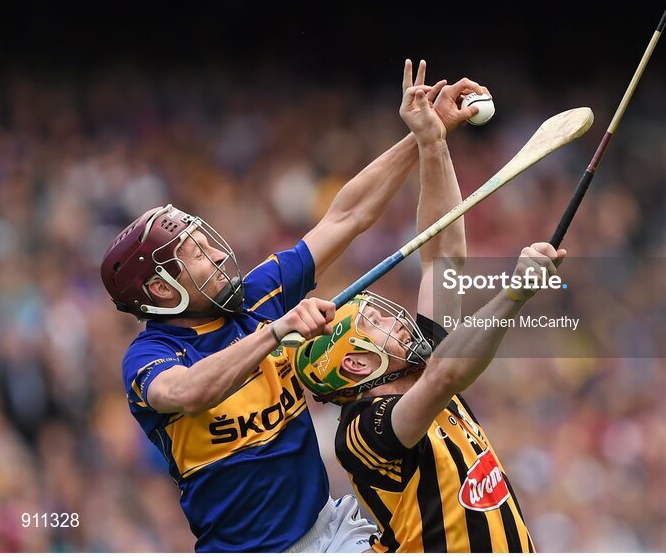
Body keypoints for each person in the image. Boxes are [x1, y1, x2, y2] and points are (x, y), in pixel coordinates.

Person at [101, 60, 488, 552]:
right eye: (197, 255)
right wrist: (274, 334)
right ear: (161, 291)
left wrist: (422, 136)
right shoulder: (151, 355)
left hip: (332, 527)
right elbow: (186, 394)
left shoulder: (256, 295)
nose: (220, 254)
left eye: (207, 241)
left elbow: (347, 216)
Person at [294, 77, 566, 552]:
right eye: (375, 325)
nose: (396, 319)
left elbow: (444, 258)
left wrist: (433, 141)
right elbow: (444, 378)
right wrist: (516, 293)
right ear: (356, 364)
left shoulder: (423, 365)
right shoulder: (362, 434)